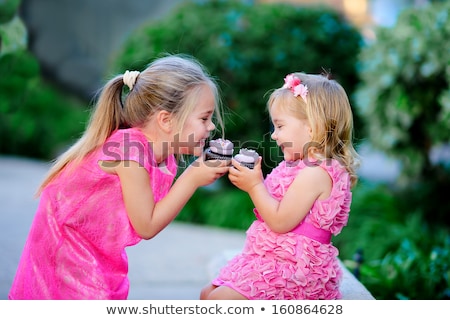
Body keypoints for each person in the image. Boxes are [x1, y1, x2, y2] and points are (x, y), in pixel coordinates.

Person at [9, 54, 230, 300]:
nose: (211, 127)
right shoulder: (129, 150)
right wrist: (192, 178)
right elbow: (146, 225)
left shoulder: (162, 152)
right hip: (64, 258)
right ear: (166, 120)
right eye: (204, 118)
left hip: (97, 253)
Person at [200, 72, 360, 300]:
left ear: (312, 128)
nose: (274, 135)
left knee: (219, 300)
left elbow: (280, 221)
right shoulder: (296, 166)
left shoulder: (316, 173)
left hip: (297, 272)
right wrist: (251, 180)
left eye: (280, 125)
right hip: (272, 261)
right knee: (207, 294)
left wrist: (255, 186)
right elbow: (275, 202)